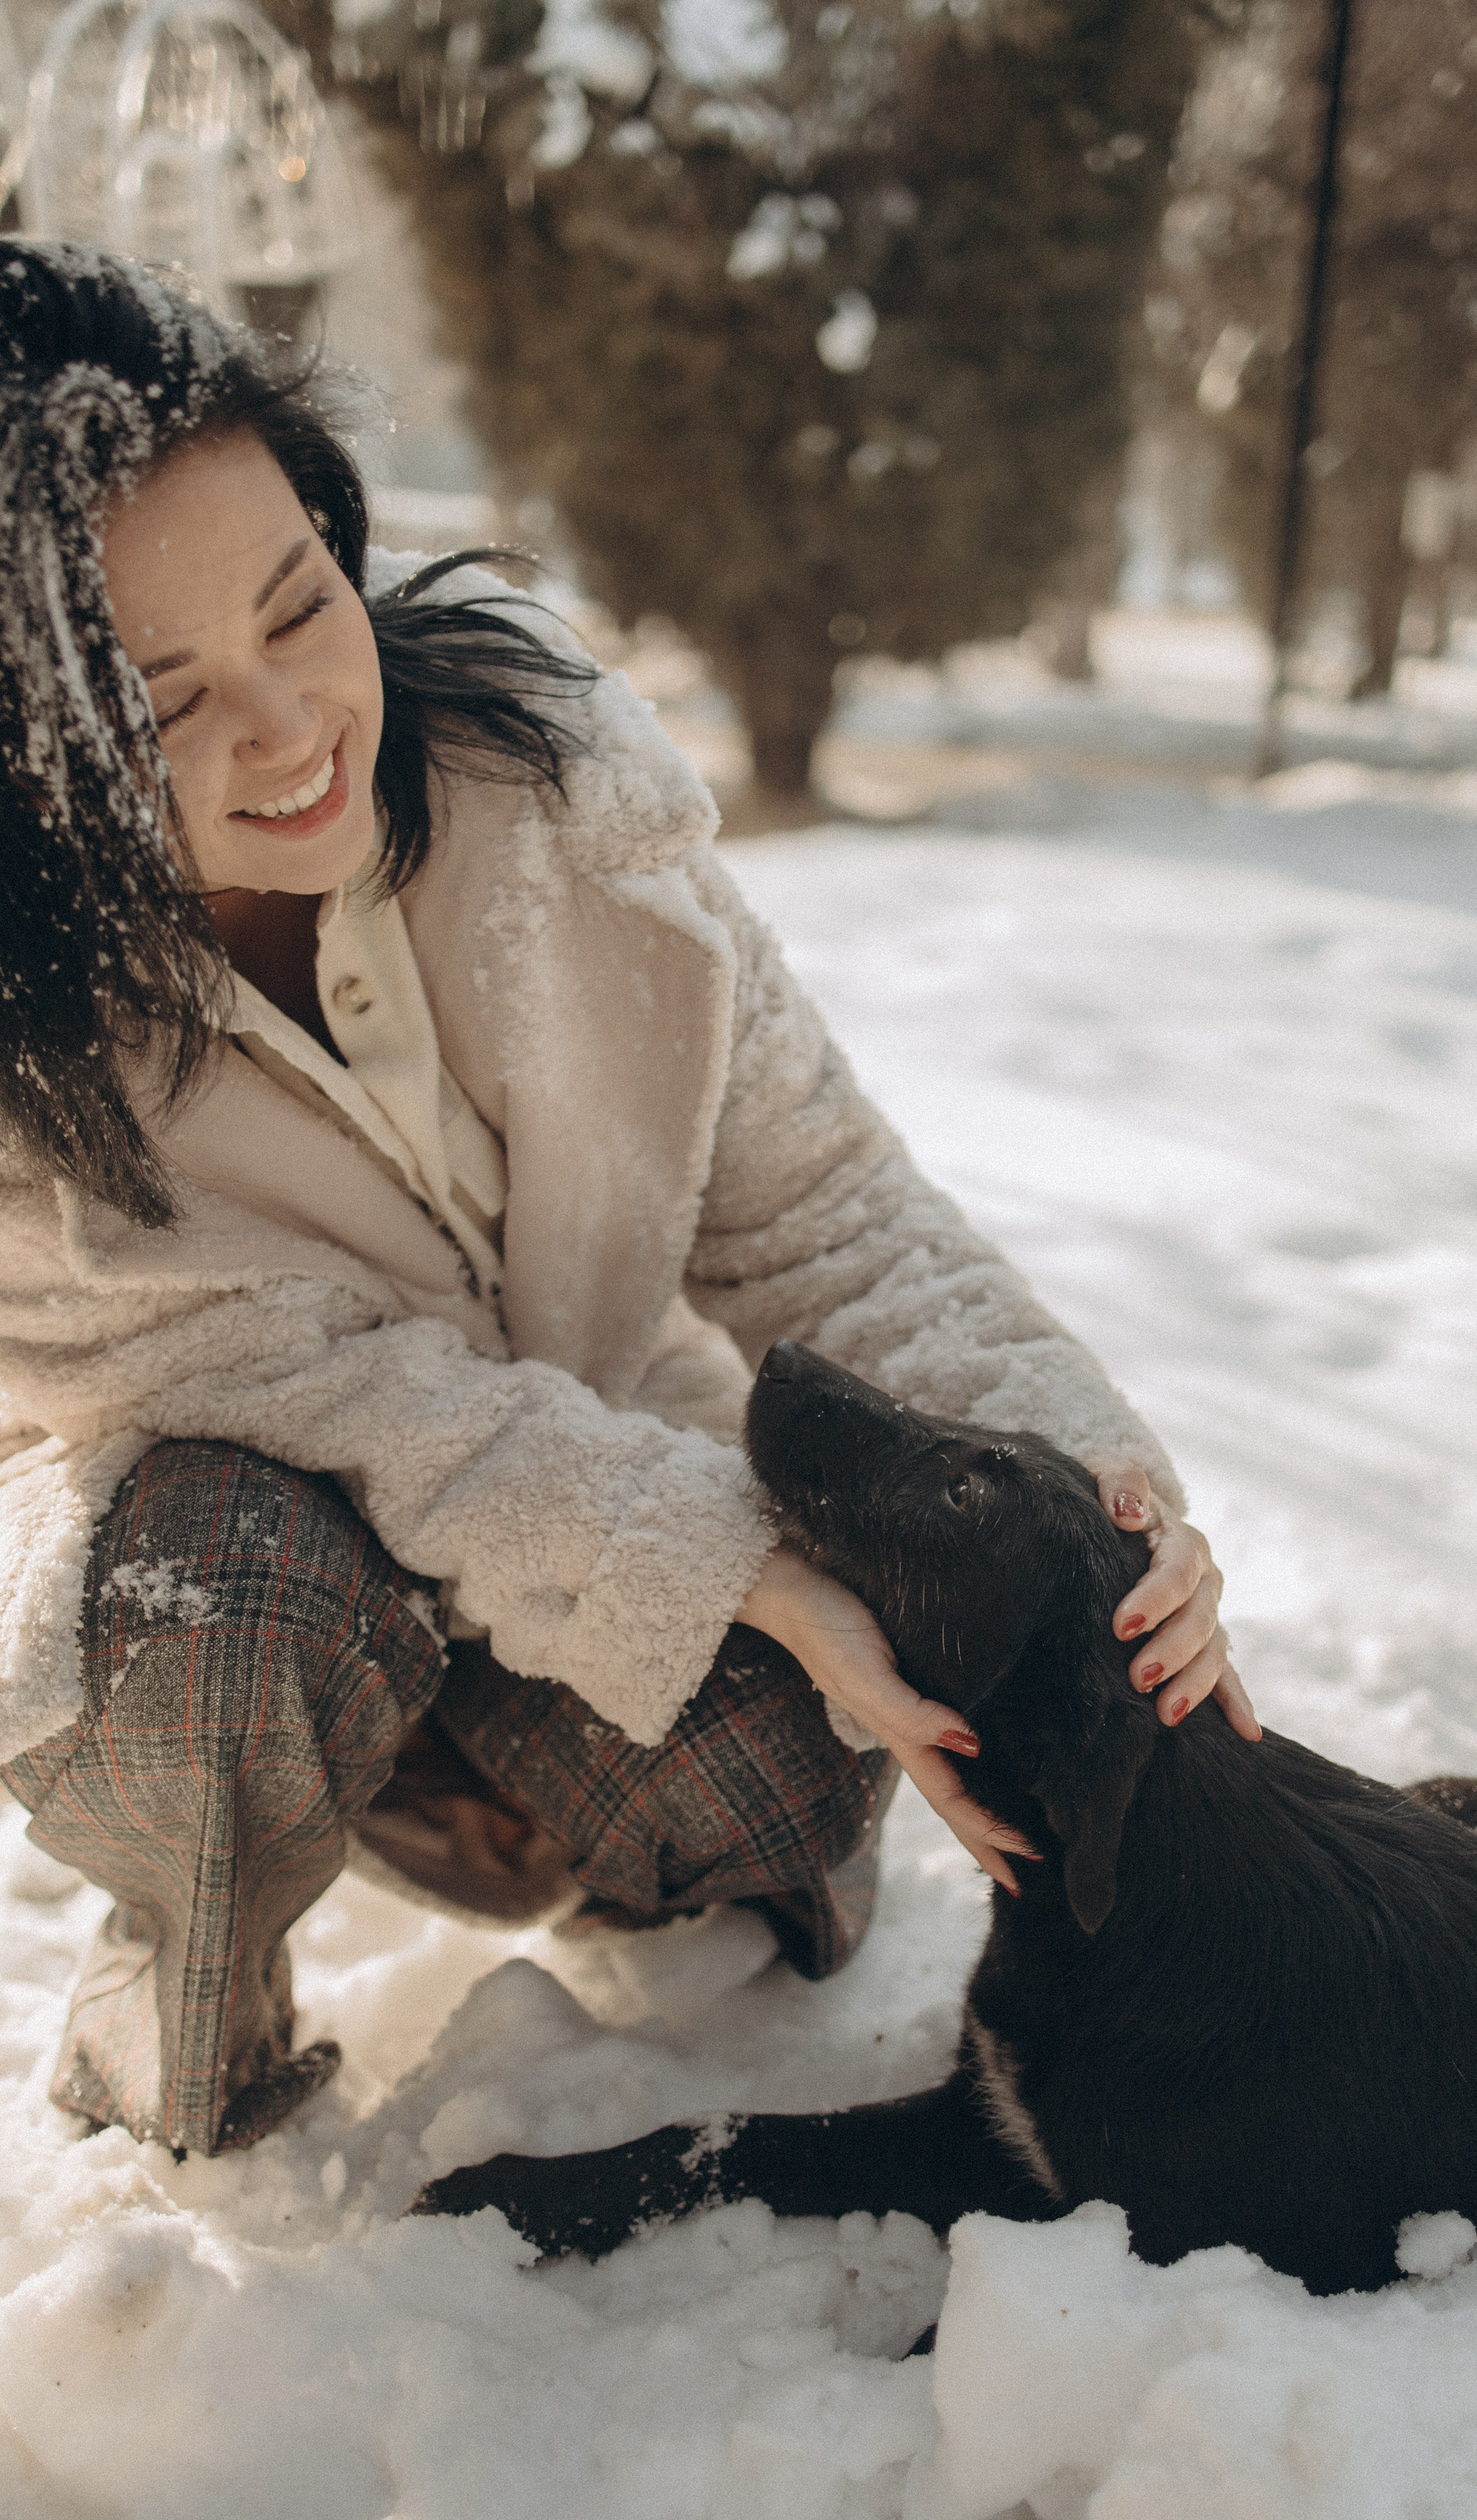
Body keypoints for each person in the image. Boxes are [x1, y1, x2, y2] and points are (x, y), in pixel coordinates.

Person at [0, 241, 1256, 2157]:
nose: (289, 726)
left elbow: (824, 1211)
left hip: (577, 1486)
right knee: (220, 1590)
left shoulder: (555, 793)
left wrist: (1100, 1507)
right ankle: (189, 1992)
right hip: (237, 1569)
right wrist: (737, 1564)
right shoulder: (31, 1072)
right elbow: (352, 1398)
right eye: (166, 705)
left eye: (300, 605)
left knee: (771, 1793)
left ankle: (531, 1829)